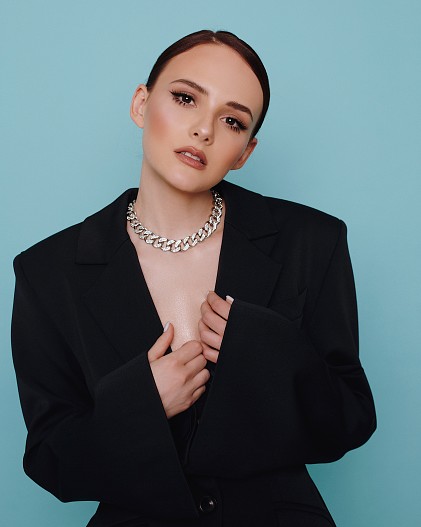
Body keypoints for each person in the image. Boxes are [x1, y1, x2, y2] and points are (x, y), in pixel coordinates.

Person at [11, 29, 376, 527]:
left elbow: (349, 423)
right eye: (186, 98)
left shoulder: (312, 242)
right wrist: (140, 407)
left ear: (245, 152)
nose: (204, 130)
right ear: (141, 104)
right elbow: (52, 462)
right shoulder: (46, 272)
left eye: (232, 120)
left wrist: (271, 351)